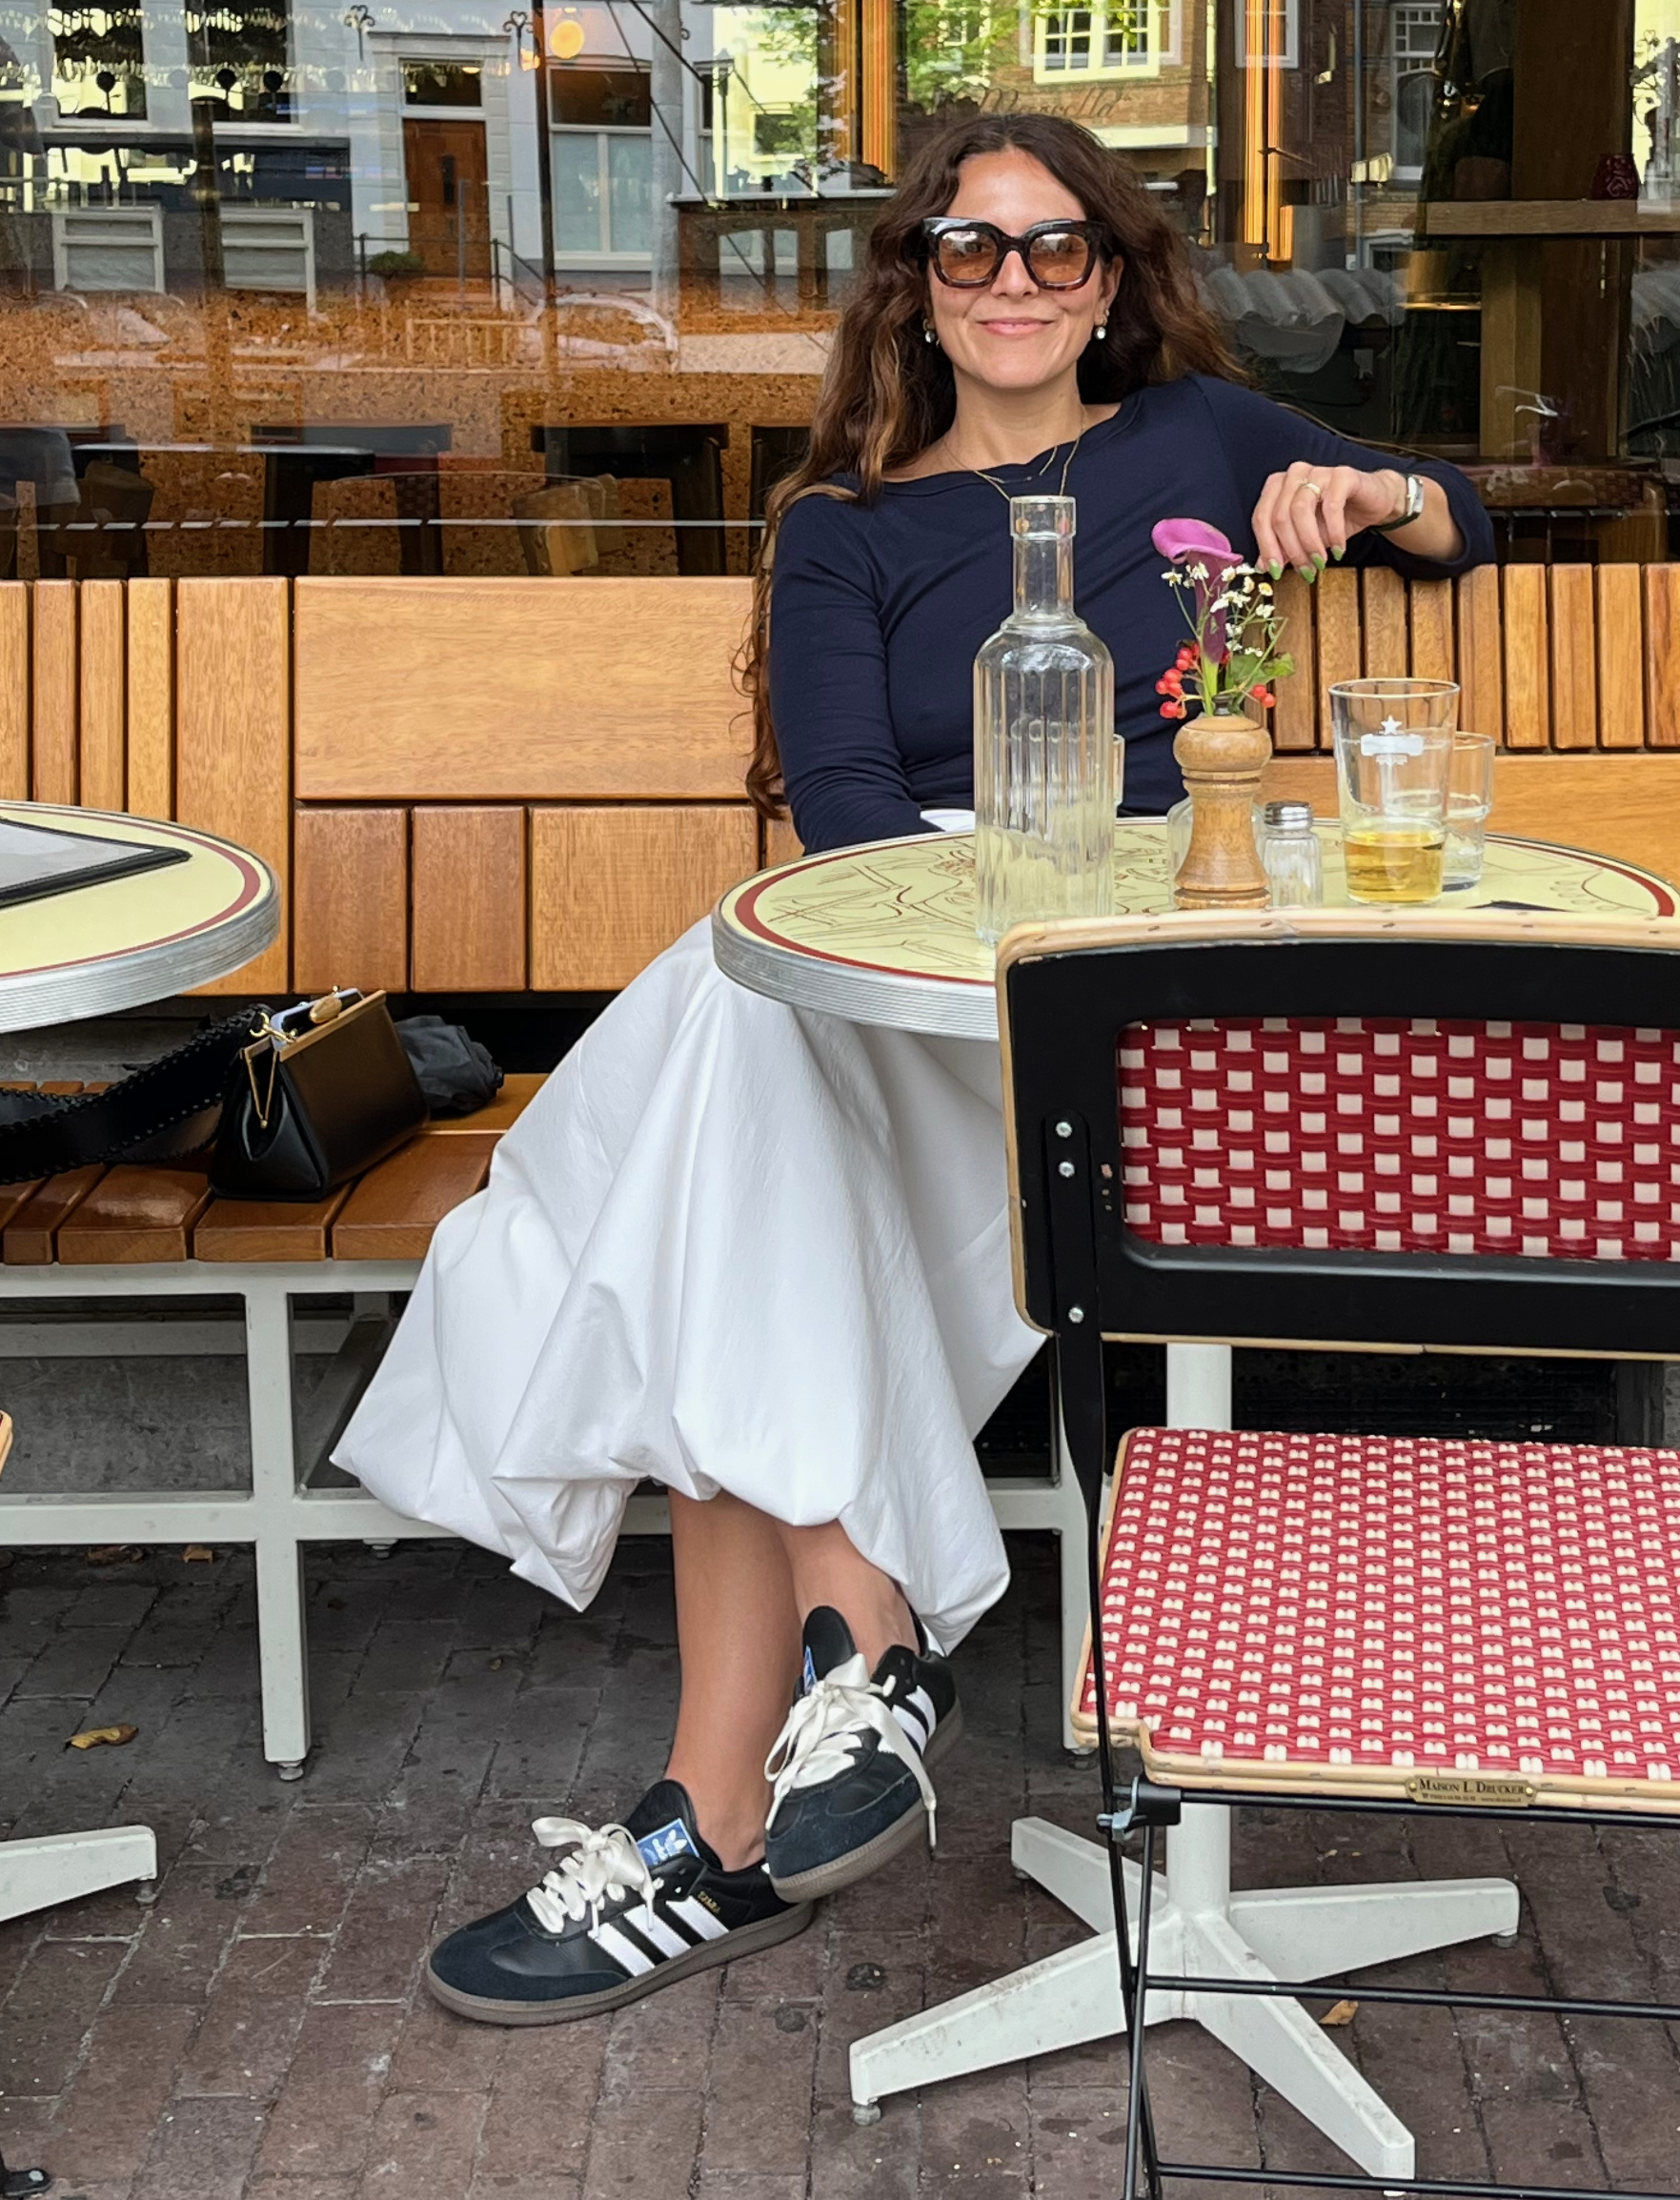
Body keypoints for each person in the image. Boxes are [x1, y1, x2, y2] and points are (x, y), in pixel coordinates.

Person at [335, 111, 1492, 2029]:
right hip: (912, 997)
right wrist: (952, 927)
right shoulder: (842, 533)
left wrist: (1372, 508)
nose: (1018, 282)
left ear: (1108, 285)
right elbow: (857, 845)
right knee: (750, 1080)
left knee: (718, 1085)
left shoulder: (1202, 440)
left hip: (1143, 1017)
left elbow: (1464, 504)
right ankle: (821, 1695)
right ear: (922, 289)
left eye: (1057, 250)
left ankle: (771, 1746)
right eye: (975, 249)